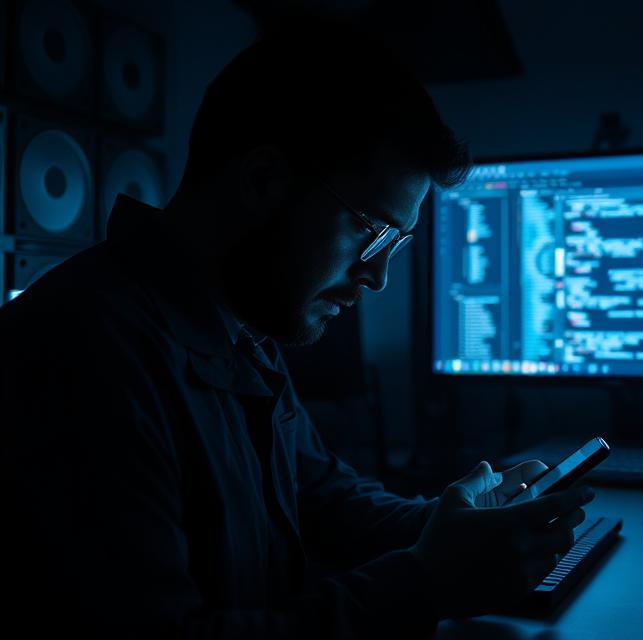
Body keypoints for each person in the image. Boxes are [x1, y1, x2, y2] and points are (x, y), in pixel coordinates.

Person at [0, 19, 592, 639]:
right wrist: (427, 581)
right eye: (372, 231)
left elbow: (326, 502)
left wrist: (463, 521)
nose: (377, 276)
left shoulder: (238, 326)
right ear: (263, 181)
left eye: (398, 242)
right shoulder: (82, 352)